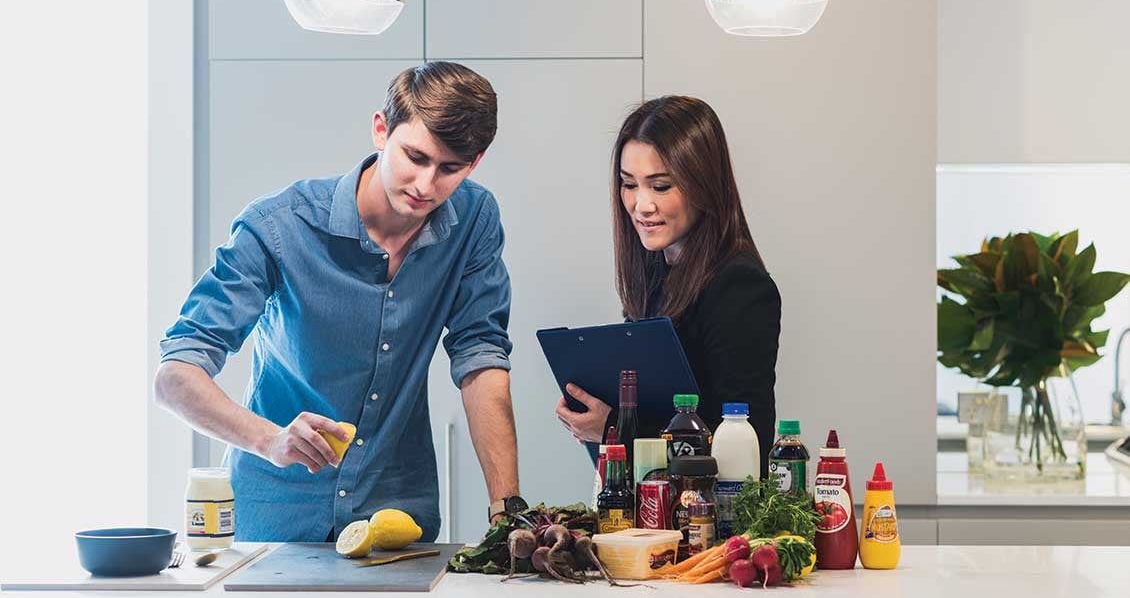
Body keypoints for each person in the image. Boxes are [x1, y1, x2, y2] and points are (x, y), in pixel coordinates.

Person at [154, 61, 527, 542]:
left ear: (474, 163)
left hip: (397, 519)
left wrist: (507, 511)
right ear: (380, 130)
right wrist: (270, 439)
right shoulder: (279, 227)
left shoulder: (474, 218)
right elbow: (174, 377)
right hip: (274, 519)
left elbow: (481, 358)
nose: (425, 186)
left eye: (450, 169)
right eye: (415, 157)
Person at [555, 95, 780, 475]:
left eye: (660, 186)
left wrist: (614, 429)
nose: (641, 205)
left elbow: (744, 442)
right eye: (629, 184)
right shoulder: (656, 274)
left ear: (704, 184)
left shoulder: (740, 286)